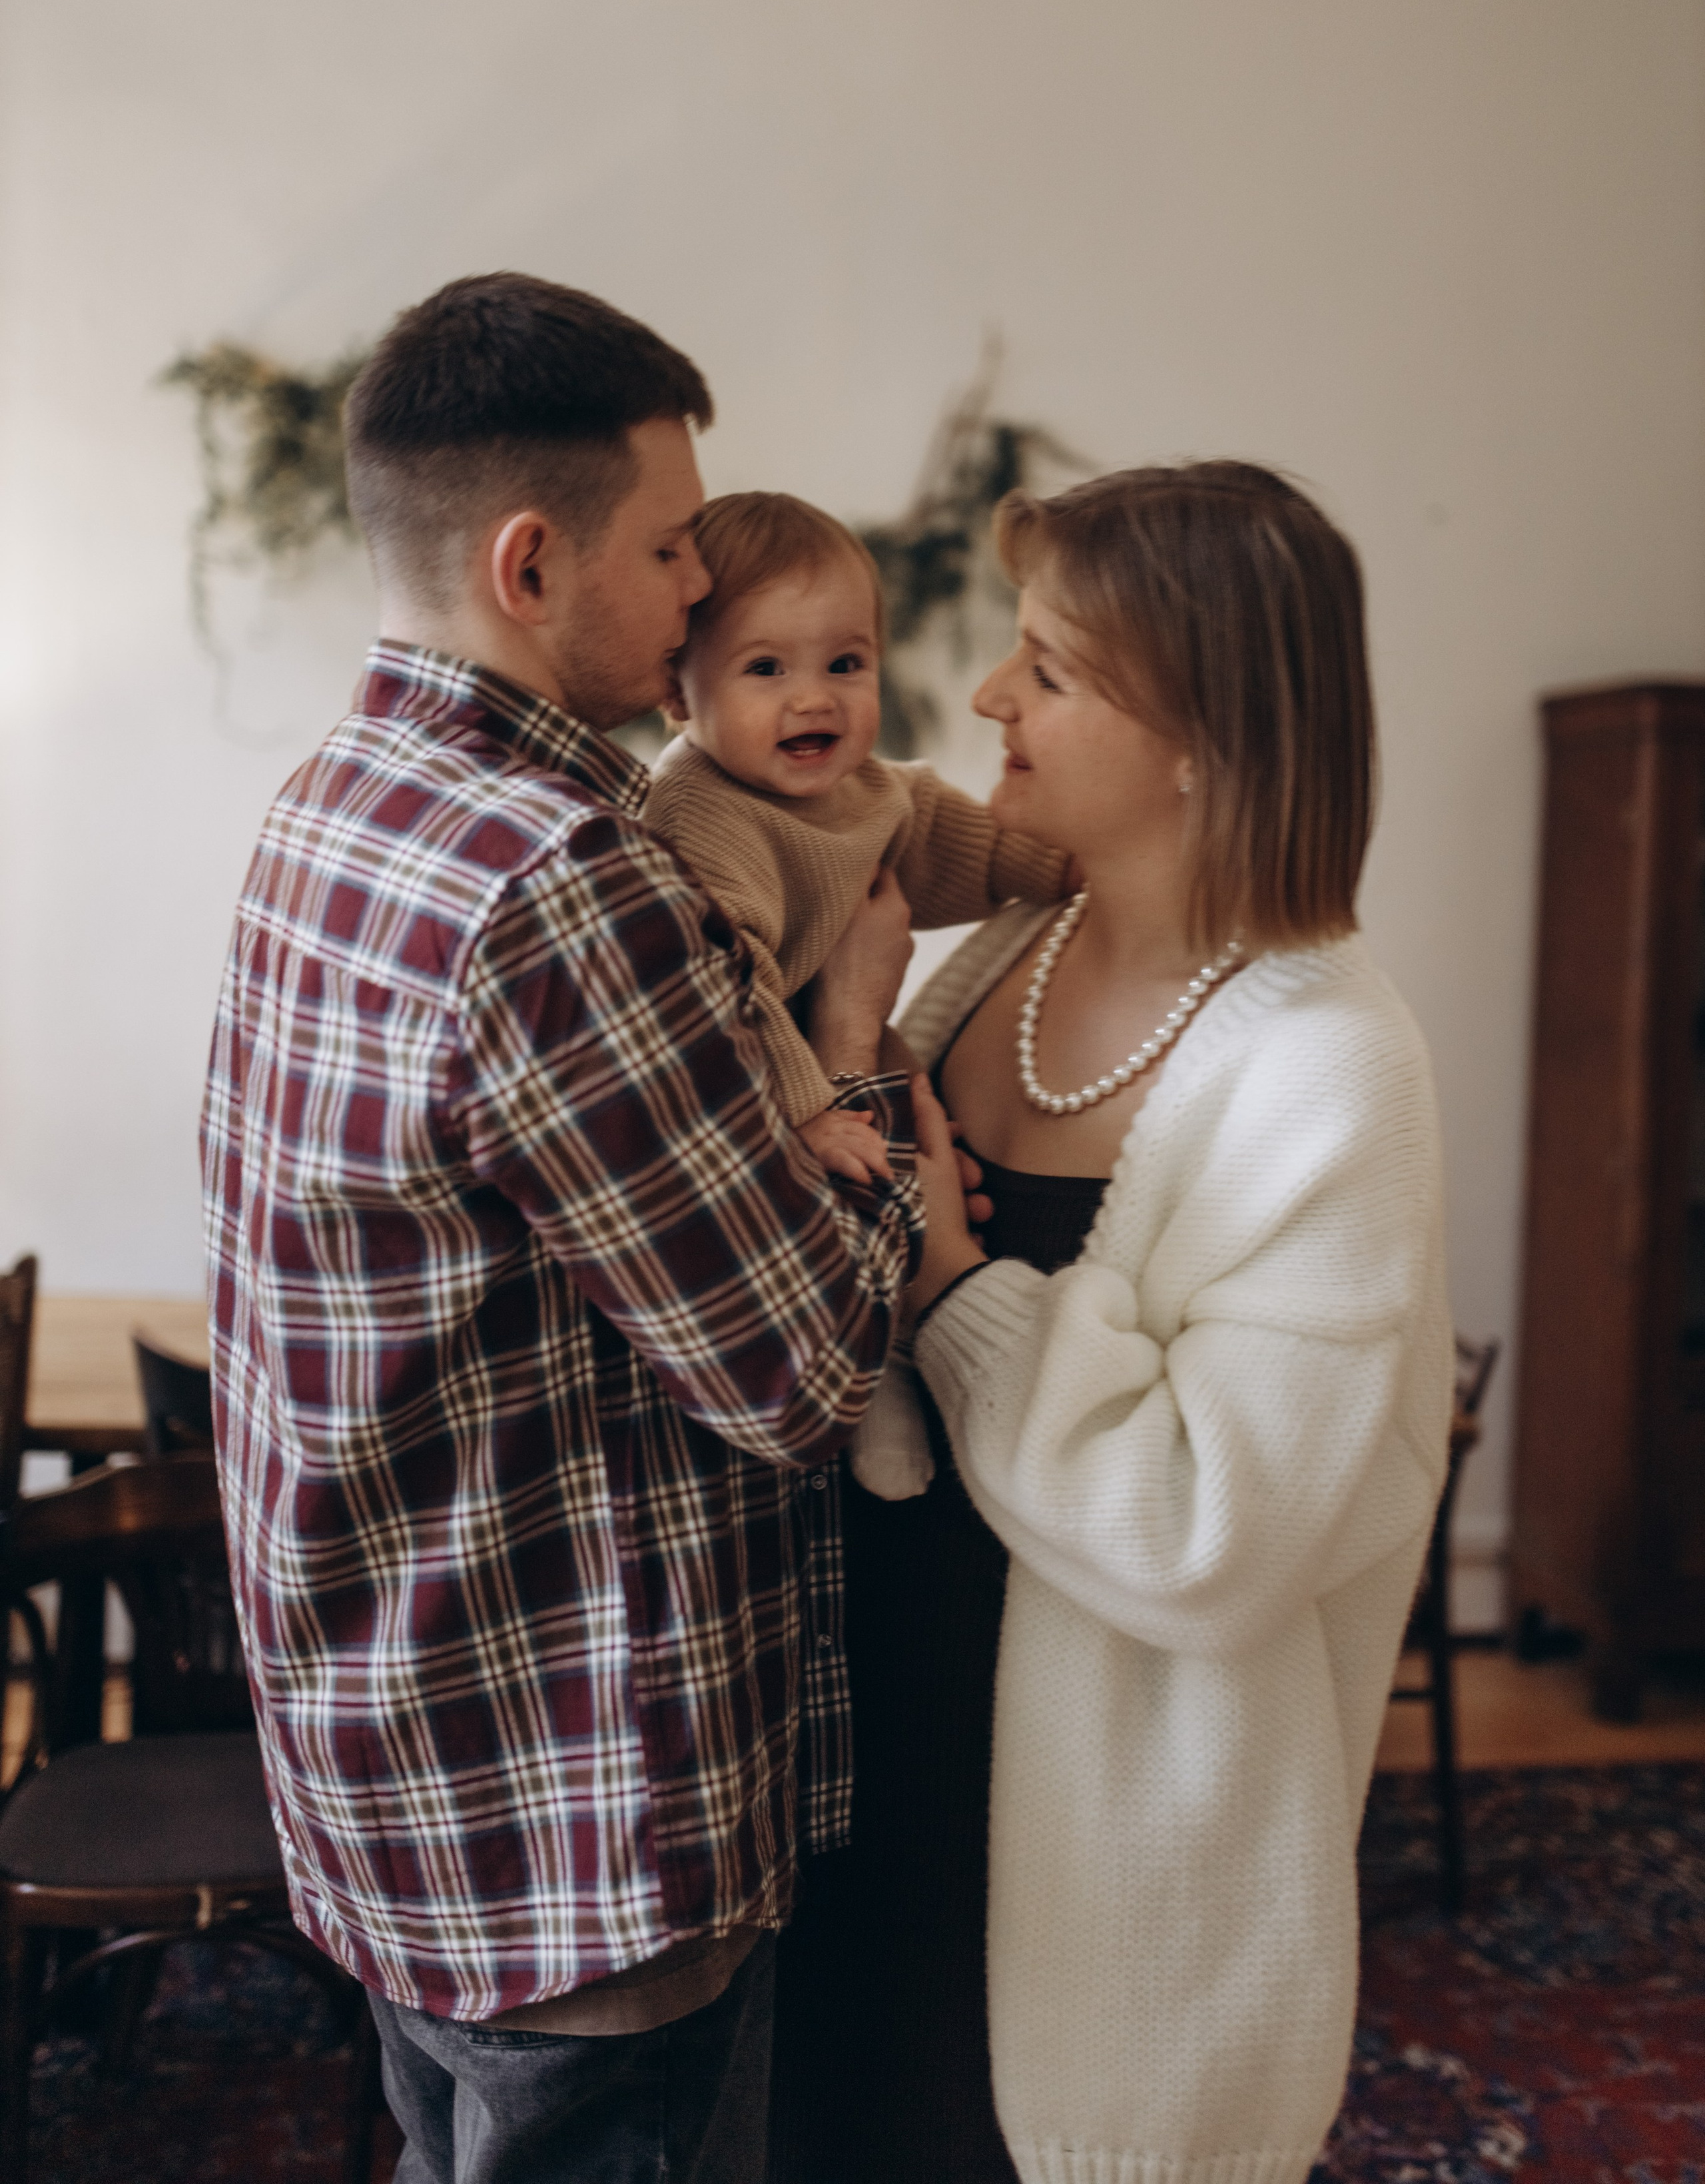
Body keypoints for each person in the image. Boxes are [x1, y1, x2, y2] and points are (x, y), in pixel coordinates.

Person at [199, 271, 939, 2184]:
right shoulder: (558, 879)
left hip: (396, 1762)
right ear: (532, 563)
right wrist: (860, 1056)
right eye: (677, 543)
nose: (708, 588)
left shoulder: (331, 811)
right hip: (578, 1827)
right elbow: (789, 1368)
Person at [771, 462, 1453, 2184]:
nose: (989, 696)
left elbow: (1212, 1534)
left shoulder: (1329, 1066)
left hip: (1093, 1851)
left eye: (1051, 672)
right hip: (880, 1761)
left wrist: (957, 1289)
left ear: (1203, 740)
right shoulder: (1009, 943)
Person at [644, 488, 1070, 1499]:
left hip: (854, 1067)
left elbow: (972, 851)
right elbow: (732, 987)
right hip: (761, 1087)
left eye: (845, 664)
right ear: (677, 694)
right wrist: (811, 1105)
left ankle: (918, 1378)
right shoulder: (701, 813)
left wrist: (1068, 870)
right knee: (864, 1219)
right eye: (765, 670)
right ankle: (876, 1416)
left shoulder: (875, 792)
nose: (815, 700)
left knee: (925, 1193)